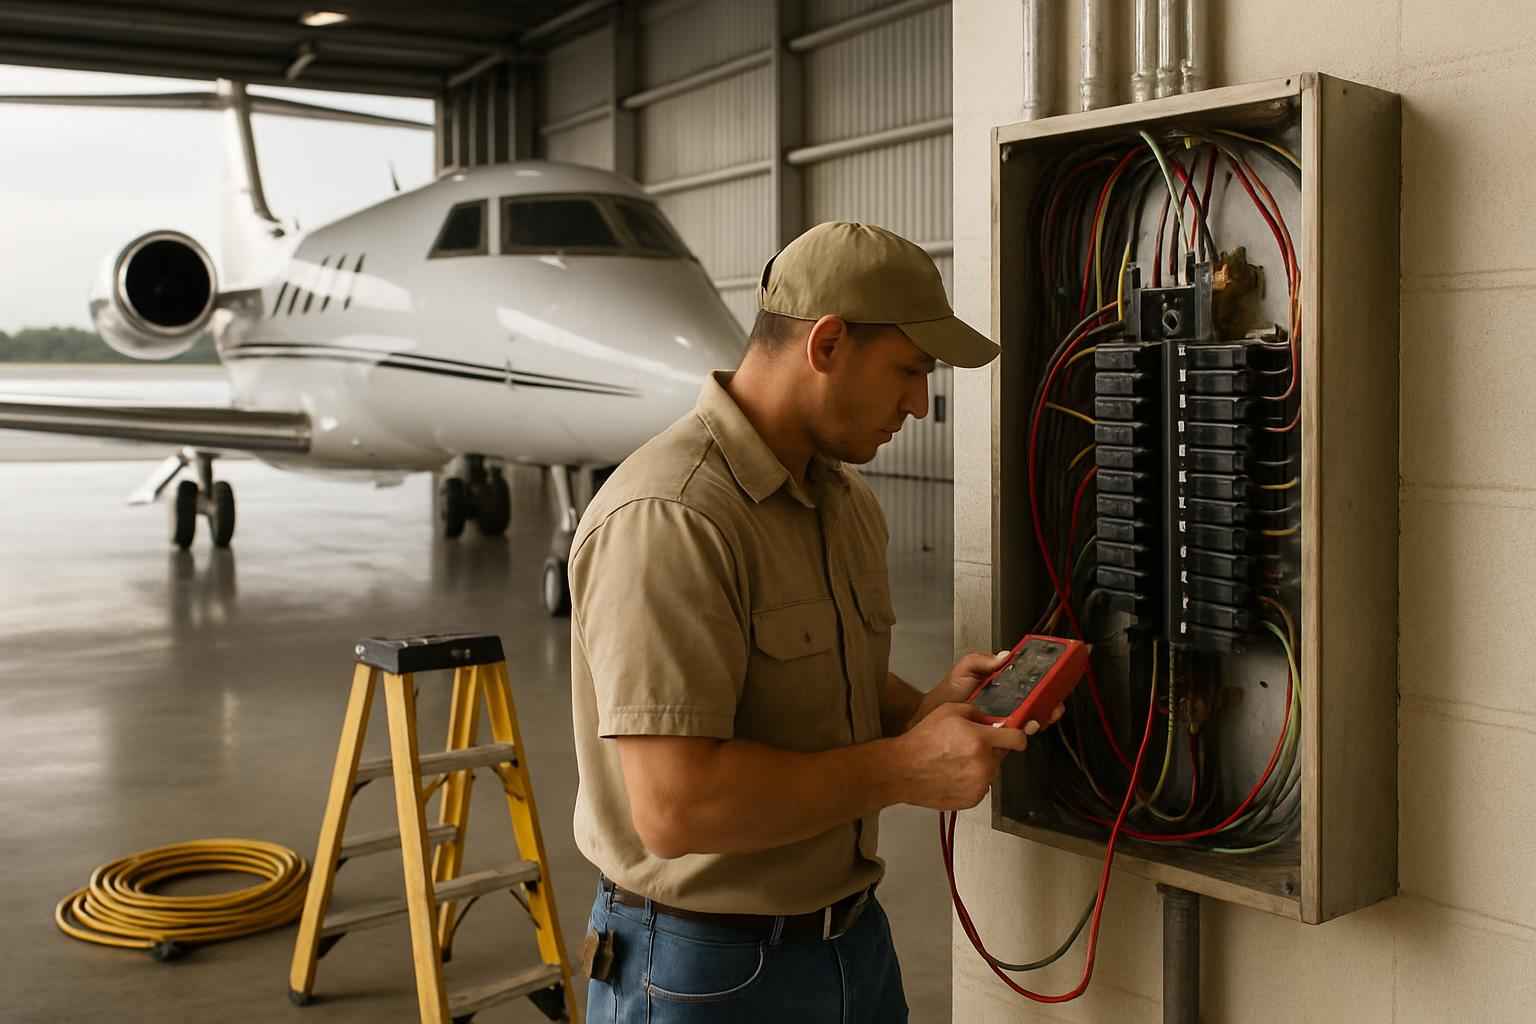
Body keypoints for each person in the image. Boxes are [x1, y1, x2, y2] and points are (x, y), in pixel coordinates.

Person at [568, 221, 1062, 1022]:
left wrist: (924, 709)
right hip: (702, 969)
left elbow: (817, 683)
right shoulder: (673, 515)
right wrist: (905, 768)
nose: (919, 403)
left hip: (850, 943)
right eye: (908, 370)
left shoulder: (844, 501)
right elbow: (675, 809)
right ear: (827, 344)